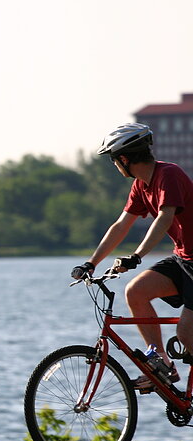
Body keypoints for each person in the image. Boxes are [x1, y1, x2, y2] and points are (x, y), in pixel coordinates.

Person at [71, 122, 193, 392]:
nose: (115, 166)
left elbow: (165, 216)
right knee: (135, 292)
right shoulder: (141, 185)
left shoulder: (168, 174)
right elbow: (121, 226)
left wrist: (136, 256)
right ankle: (162, 365)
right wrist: (91, 263)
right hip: (185, 259)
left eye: (114, 161)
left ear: (124, 159)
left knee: (186, 334)